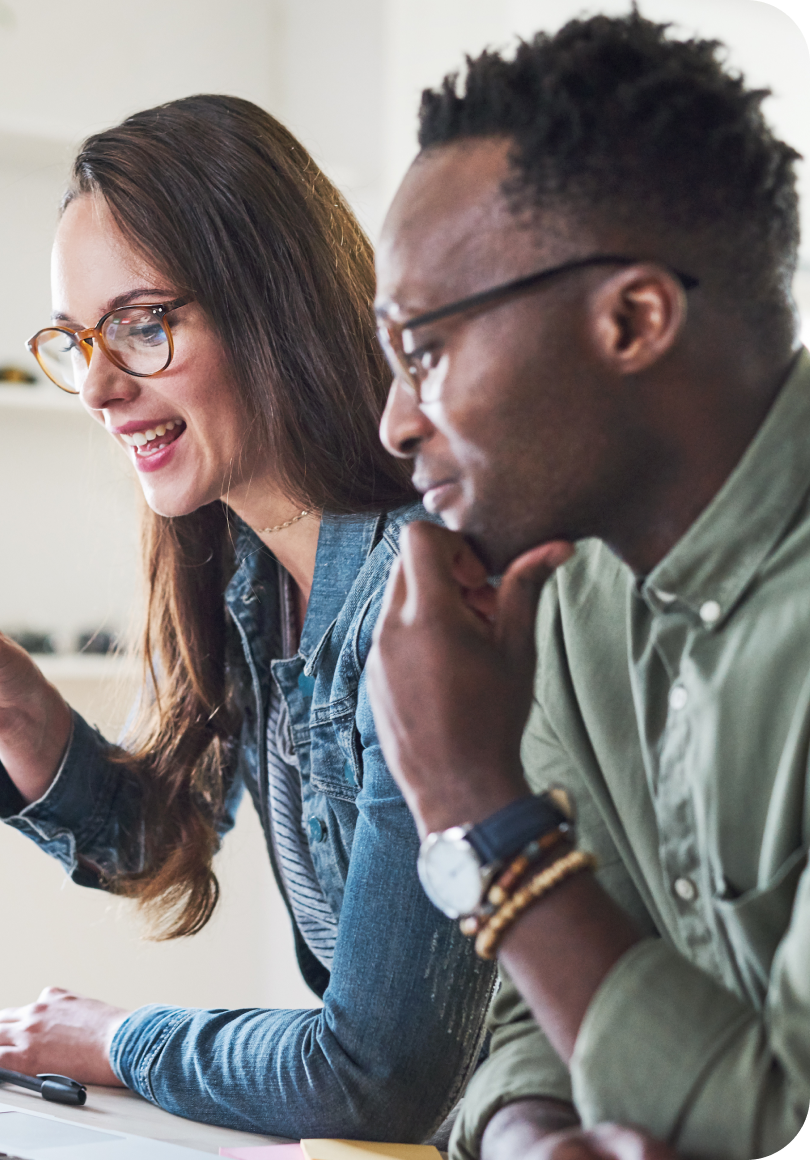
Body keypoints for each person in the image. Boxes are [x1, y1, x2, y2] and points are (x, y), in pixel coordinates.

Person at [0, 95, 495, 1143]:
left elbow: (375, 1073)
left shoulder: (423, 595)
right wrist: (31, 723)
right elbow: (163, 843)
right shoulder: (248, 566)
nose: (98, 386)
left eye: (143, 325)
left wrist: (115, 1038)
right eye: (78, 339)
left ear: (273, 304)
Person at [365, 12, 809, 1160]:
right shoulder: (567, 595)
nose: (394, 420)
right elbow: (541, 991)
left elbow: (777, 1114)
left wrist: (470, 798)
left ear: (630, 318)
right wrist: (525, 1133)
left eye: (423, 350)